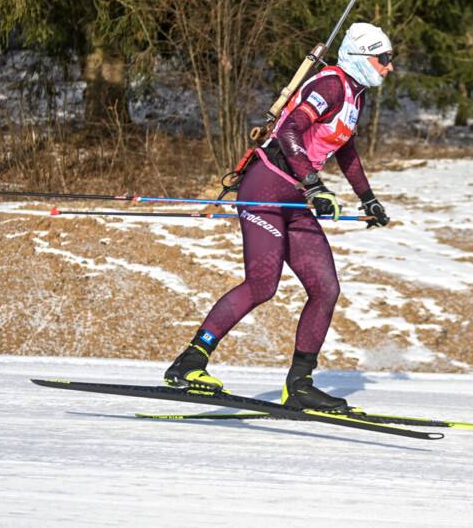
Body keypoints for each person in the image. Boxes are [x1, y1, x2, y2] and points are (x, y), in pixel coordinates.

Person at [163, 22, 395, 412]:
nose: (388, 67)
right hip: (266, 188)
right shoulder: (330, 85)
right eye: (383, 58)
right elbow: (289, 131)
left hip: (295, 197)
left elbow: (346, 150)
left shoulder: (356, 96)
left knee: (326, 287)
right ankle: (188, 364)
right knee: (262, 284)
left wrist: (368, 199)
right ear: (360, 57)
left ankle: (299, 385)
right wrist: (314, 184)